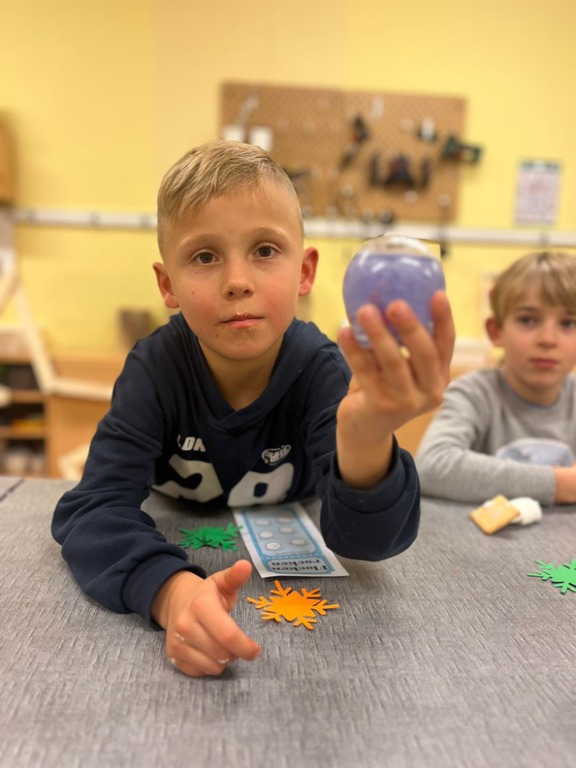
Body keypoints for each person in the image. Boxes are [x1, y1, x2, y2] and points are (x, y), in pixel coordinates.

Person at [52, 140, 454, 678]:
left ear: (305, 272)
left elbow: (367, 544)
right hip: (178, 531)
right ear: (168, 285)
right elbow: (91, 510)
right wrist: (169, 591)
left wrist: (366, 448)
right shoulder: (154, 369)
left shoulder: (320, 371)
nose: (237, 281)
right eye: (204, 256)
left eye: (265, 250)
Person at [416, 249, 576, 506]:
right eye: (528, 320)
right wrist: (559, 484)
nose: (548, 339)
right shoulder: (474, 393)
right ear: (496, 331)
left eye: (568, 323)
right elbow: (432, 466)